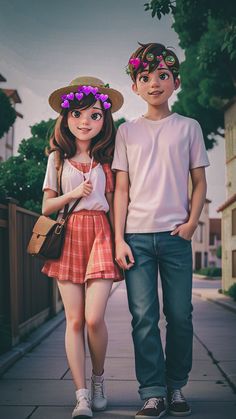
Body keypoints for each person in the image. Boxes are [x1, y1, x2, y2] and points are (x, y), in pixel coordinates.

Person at [112, 42, 210, 418]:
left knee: (181, 315)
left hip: (175, 236)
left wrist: (191, 224)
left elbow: (199, 183)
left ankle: (176, 387)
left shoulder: (189, 128)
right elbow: (121, 189)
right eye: (145, 77)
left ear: (176, 82)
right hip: (136, 236)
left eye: (162, 76)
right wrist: (119, 237)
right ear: (136, 87)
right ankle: (152, 392)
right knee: (143, 317)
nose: (154, 83)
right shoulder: (126, 132)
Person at [41, 76, 124, 418]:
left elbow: (117, 202)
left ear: (104, 120)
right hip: (69, 233)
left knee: (93, 318)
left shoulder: (108, 159)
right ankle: (82, 396)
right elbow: (46, 207)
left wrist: (121, 239)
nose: (85, 122)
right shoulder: (57, 159)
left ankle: (99, 378)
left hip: (101, 234)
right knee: (73, 321)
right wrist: (73, 194)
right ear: (66, 118)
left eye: (94, 115)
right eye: (77, 114)